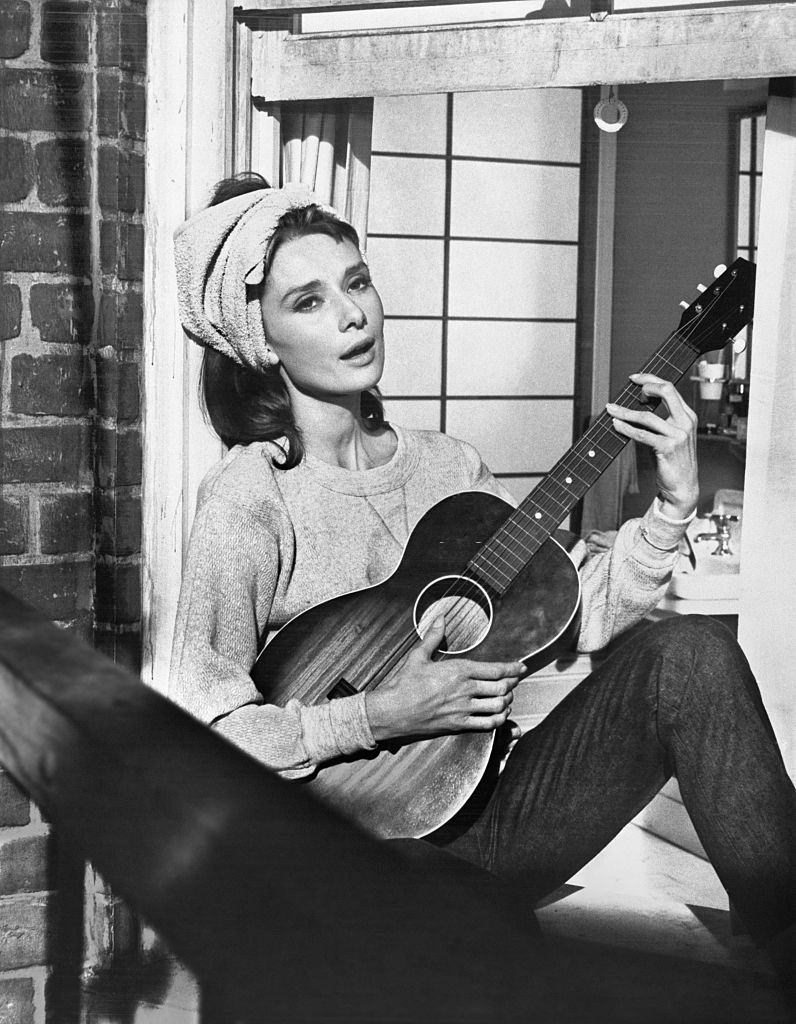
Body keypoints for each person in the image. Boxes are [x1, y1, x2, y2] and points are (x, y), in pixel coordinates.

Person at [170, 173, 794, 1016]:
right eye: (308, 302)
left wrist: (674, 503)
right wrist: (382, 715)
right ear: (260, 341)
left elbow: (574, 613)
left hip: (489, 815)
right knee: (481, 937)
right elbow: (200, 735)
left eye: (357, 282)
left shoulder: (449, 469)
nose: (353, 315)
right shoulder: (249, 498)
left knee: (693, 654)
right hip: (335, 855)